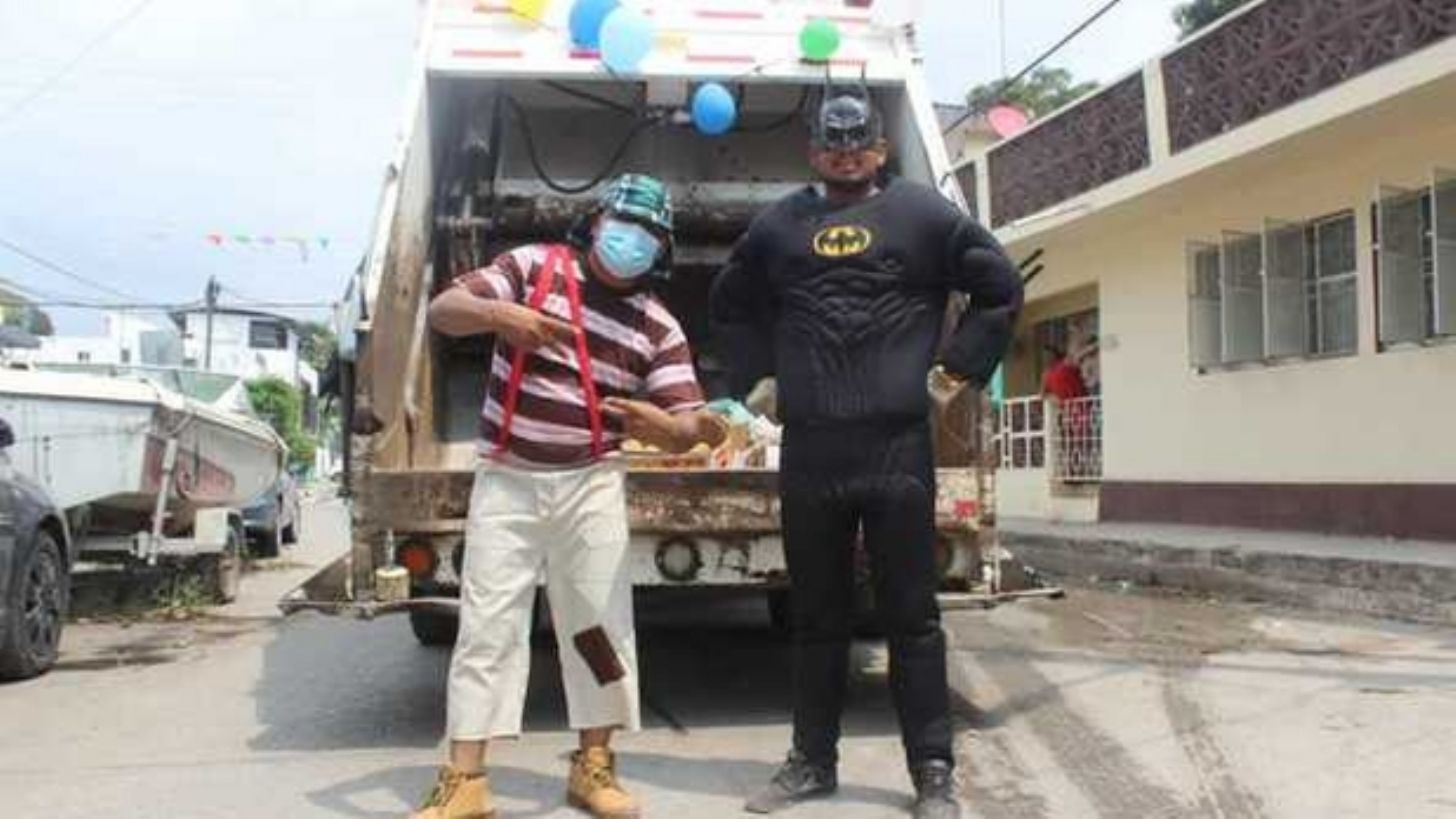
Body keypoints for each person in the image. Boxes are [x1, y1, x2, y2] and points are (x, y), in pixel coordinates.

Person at [710, 92, 1023, 819]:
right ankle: (811, 761)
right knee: (816, 617)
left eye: (859, 144)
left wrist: (956, 370)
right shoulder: (778, 226)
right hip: (811, 451)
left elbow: (999, 286)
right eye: (833, 144)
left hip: (897, 451)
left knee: (912, 617)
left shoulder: (924, 215)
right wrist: (756, 381)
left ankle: (933, 771)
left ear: (880, 149)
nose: (846, 155)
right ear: (813, 151)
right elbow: (730, 302)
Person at [416, 174, 726, 819]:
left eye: (648, 234)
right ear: (596, 222)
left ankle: (594, 765)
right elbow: (444, 310)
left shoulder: (657, 325)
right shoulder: (533, 267)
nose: (631, 240)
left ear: (662, 250)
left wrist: (669, 428)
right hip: (507, 478)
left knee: (599, 628)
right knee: (486, 628)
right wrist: (500, 316)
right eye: (624, 224)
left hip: (592, 482)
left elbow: (700, 425)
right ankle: (465, 780)